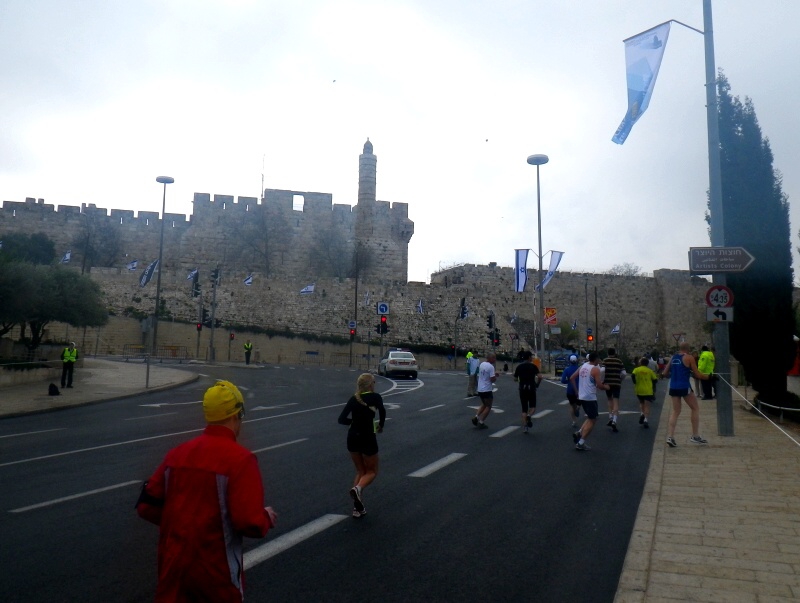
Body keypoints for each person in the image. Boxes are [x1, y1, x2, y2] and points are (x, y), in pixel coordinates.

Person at [136, 380, 277, 602]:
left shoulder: (176, 455)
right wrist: (266, 517)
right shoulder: (241, 460)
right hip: (215, 575)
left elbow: (146, 506)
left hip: (173, 569)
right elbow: (249, 522)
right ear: (236, 415)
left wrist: (183, 525)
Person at [338, 373, 386, 518]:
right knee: (372, 471)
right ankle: (358, 489)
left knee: (360, 471)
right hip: (367, 437)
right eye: (374, 382)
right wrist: (381, 426)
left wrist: (353, 423)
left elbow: (341, 419)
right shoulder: (375, 397)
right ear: (370, 385)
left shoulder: (353, 399)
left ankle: (357, 508)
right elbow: (382, 412)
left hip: (352, 437)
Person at [661, 342, 712, 447]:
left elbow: (665, 373)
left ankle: (670, 436)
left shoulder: (673, 357)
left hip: (673, 387)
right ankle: (695, 435)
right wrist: (709, 378)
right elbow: (697, 374)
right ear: (688, 349)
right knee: (695, 408)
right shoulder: (689, 358)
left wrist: (675, 374)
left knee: (676, 411)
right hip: (684, 386)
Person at [569, 351, 610, 451]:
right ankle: (581, 442)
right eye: (598, 359)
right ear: (595, 359)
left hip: (582, 396)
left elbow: (572, 378)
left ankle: (579, 432)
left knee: (590, 416)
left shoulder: (583, 366)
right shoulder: (595, 369)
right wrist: (606, 387)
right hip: (590, 397)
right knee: (593, 419)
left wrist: (577, 391)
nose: (599, 361)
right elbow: (599, 385)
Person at [513, 350, 542, 433]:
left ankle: (525, 427)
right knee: (532, 406)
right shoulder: (533, 366)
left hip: (522, 388)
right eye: (531, 357)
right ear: (529, 357)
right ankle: (529, 415)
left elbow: (515, 379)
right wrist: (537, 384)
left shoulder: (519, 367)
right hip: (531, 387)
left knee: (524, 409)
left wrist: (520, 380)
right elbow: (540, 377)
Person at [631, 357, 659, 429]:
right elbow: (655, 380)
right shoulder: (650, 371)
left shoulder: (637, 369)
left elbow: (632, 375)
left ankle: (642, 413)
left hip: (639, 389)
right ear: (647, 364)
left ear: (640, 363)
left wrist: (635, 382)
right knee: (647, 405)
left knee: (641, 403)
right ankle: (646, 419)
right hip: (648, 390)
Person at [602, 348, 625, 432]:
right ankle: (615, 420)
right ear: (615, 353)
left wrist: (603, 380)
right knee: (616, 401)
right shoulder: (619, 361)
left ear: (608, 353)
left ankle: (610, 416)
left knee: (609, 399)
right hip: (616, 383)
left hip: (608, 383)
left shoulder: (605, 361)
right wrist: (620, 380)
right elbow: (624, 373)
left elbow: (602, 370)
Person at [471, 352, 497, 429]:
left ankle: (476, 417)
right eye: (494, 358)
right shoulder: (491, 367)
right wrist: (495, 377)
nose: (495, 360)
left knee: (484, 404)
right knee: (489, 406)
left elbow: (484, 374)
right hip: (487, 389)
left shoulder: (482, 364)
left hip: (480, 388)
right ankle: (481, 421)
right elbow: (492, 379)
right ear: (490, 358)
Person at [560, 354, 581, 427]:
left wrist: (568, 381)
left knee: (572, 405)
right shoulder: (580, 368)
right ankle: (578, 407)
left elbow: (562, 380)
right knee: (578, 402)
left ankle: (574, 421)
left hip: (570, 390)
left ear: (569, 361)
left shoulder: (567, 369)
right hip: (579, 389)